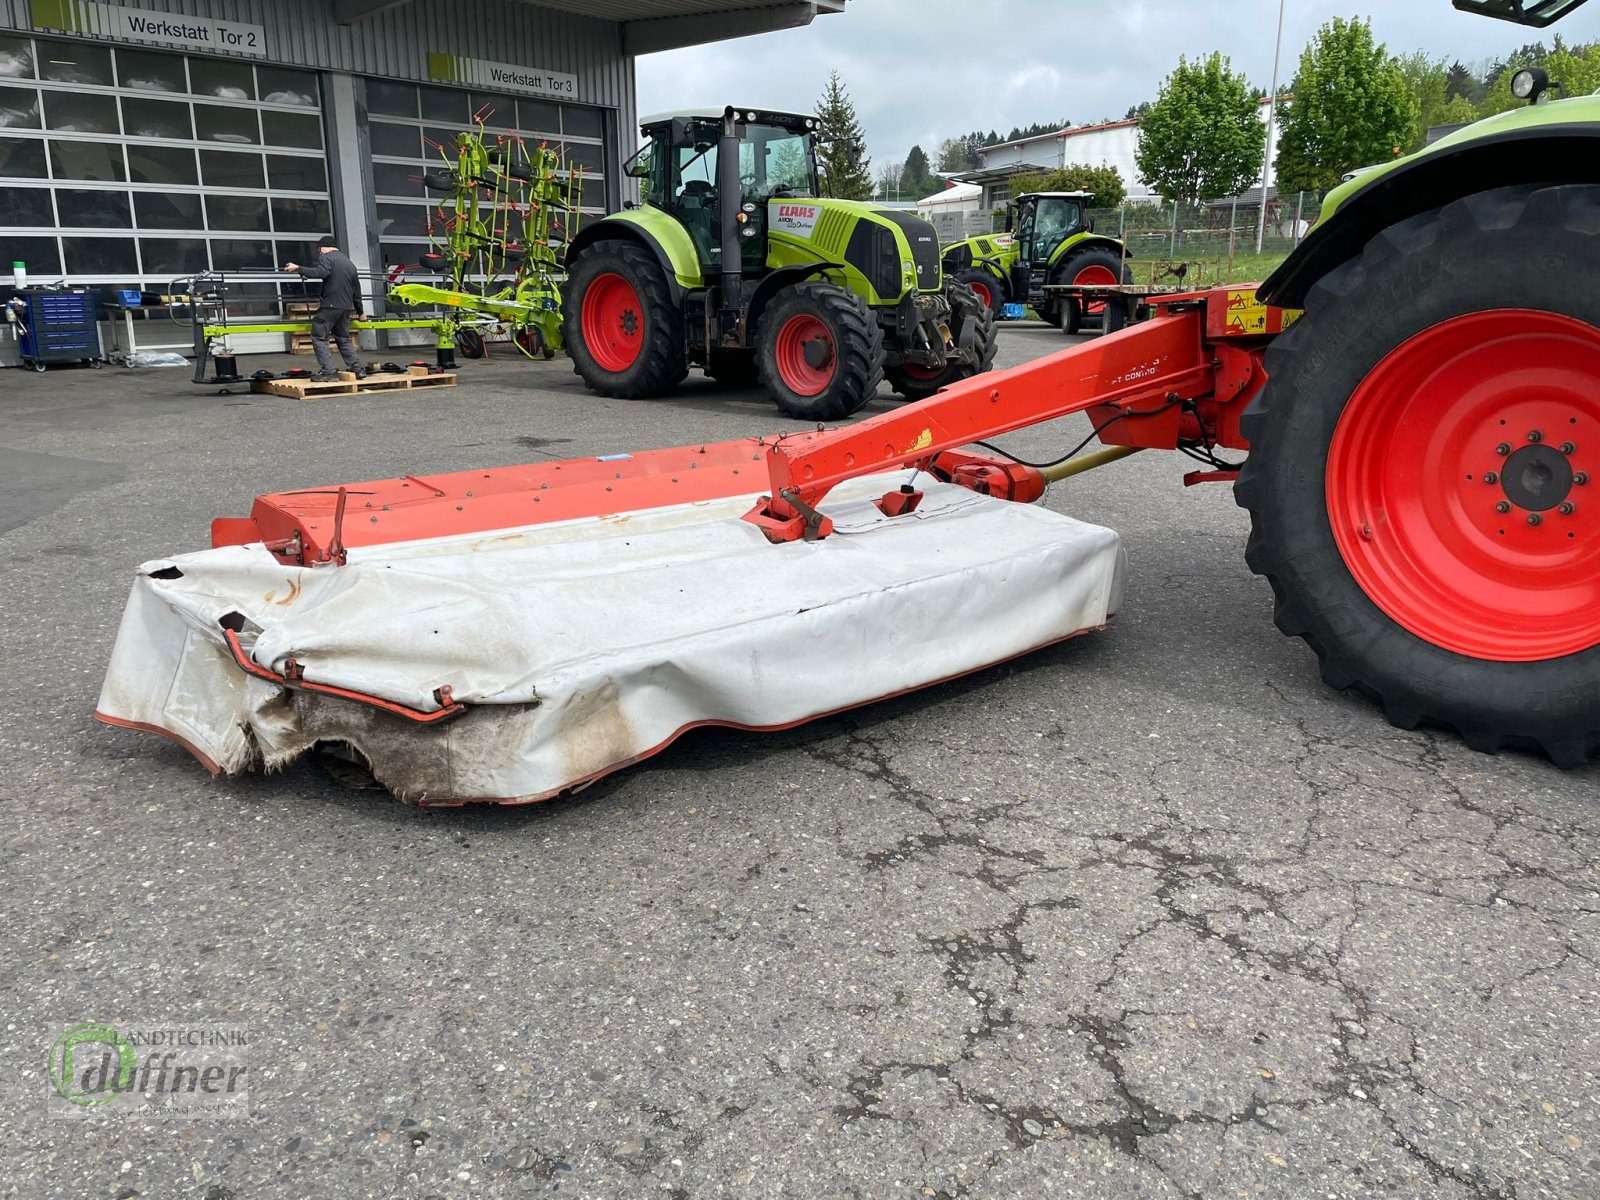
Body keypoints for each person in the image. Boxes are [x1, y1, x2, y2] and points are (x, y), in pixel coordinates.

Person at [284, 235, 365, 381]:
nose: (320, 254)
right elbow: (356, 290)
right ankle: (357, 369)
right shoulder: (349, 263)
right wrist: (361, 312)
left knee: (318, 335)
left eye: (319, 250)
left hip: (331, 305)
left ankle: (329, 372)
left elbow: (321, 272)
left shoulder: (327, 257)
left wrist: (298, 268)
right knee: (343, 338)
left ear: (324, 248)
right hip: (346, 307)